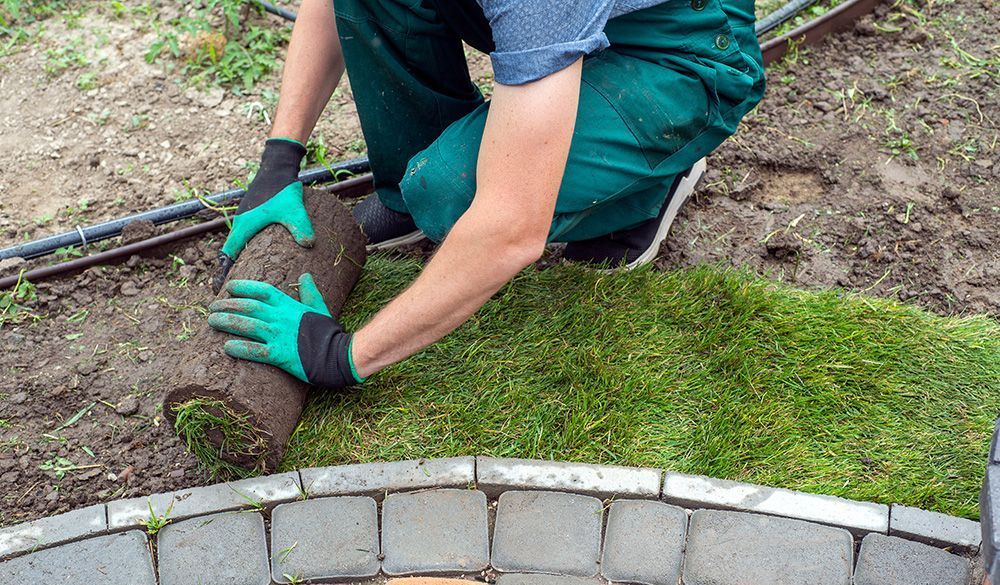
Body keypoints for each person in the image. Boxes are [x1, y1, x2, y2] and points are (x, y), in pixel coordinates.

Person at [206, 0, 766, 389]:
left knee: (451, 191)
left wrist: (344, 355)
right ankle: (423, 184)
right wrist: (279, 160)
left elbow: (511, 228)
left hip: (675, 48)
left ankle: (647, 183)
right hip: (578, 19)